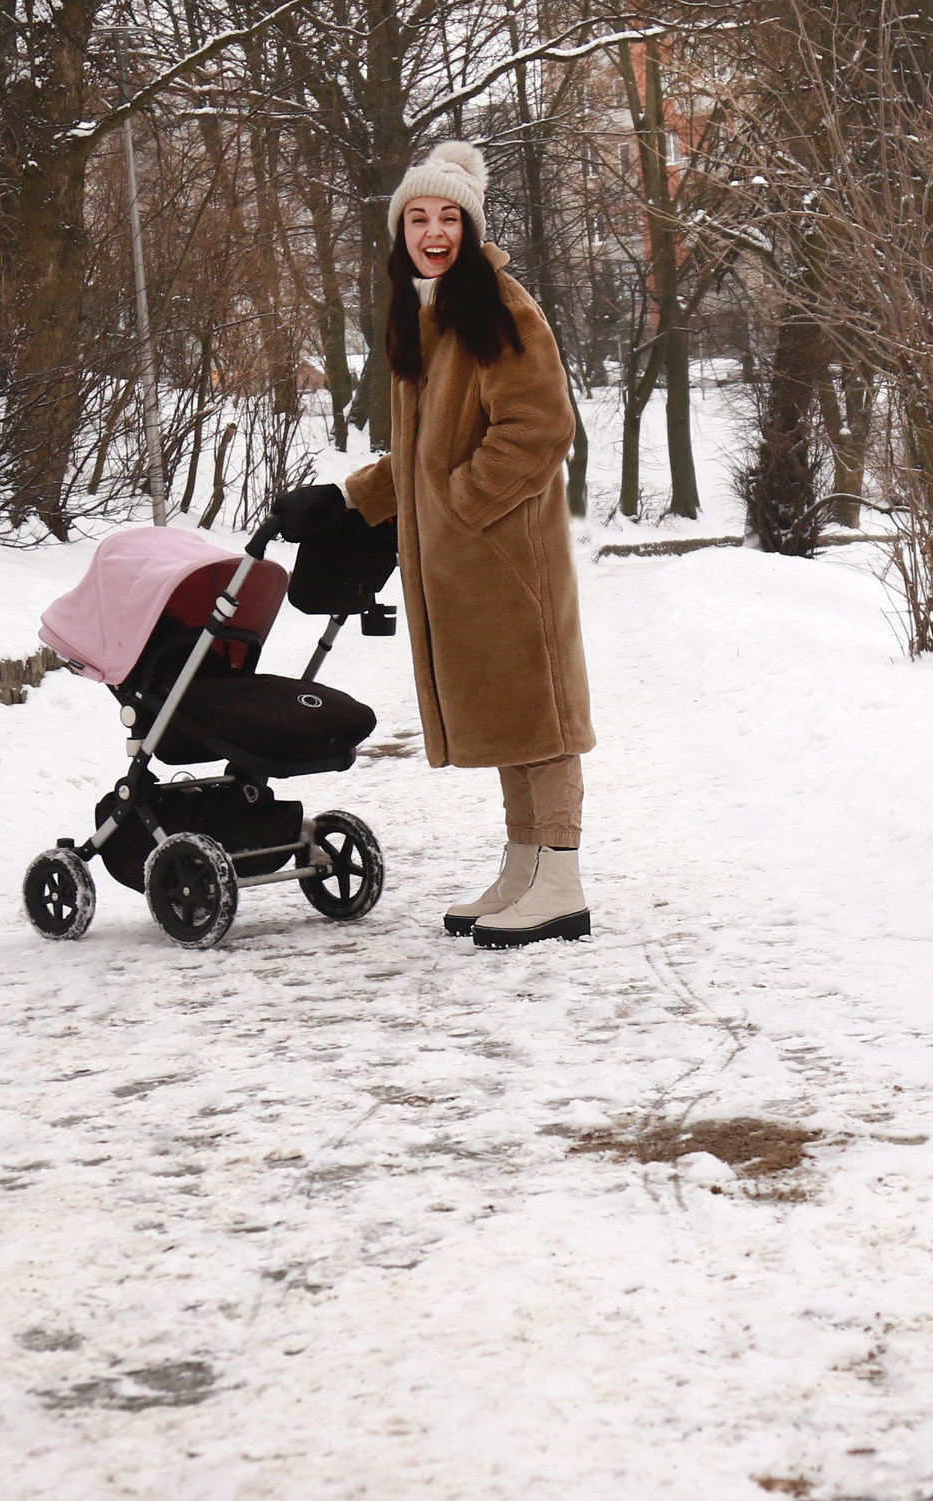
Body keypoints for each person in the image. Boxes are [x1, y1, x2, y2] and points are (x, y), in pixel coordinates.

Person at [270, 141, 594, 948]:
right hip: (470, 565)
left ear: (471, 228)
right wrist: (350, 497)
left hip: (509, 556)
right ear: (400, 233)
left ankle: (560, 878)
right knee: (510, 718)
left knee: (541, 716)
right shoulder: (428, 316)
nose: (434, 231)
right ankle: (524, 866)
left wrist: (459, 505)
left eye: (450, 217)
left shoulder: (500, 308)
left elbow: (541, 427)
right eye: (418, 218)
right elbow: (422, 453)